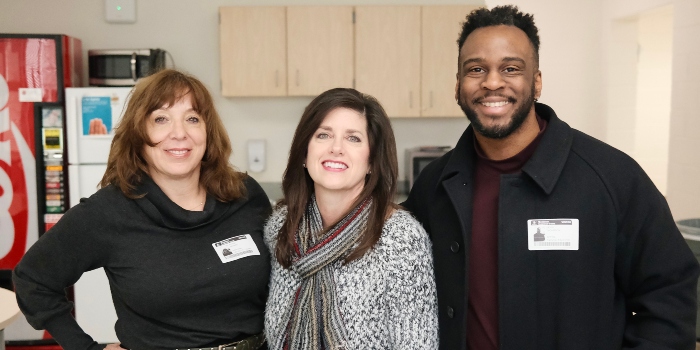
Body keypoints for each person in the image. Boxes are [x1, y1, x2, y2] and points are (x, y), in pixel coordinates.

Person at [402, 5, 700, 350]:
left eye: (511, 68)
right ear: (458, 85)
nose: (492, 82)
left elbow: (669, 293)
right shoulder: (436, 184)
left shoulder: (612, 178)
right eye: (476, 69)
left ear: (537, 82)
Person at [13, 69, 271, 350]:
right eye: (161, 119)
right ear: (139, 133)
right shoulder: (108, 212)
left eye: (193, 119)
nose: (179, 133)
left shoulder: (245, 194)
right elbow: (33, 279)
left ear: (208, 132)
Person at [263, 88, 438, 349]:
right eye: (323, 135)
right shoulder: (281, 226)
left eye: (353, 139)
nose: (336, 148)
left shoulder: (400, 239)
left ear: (371, 162)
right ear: (303, 153)